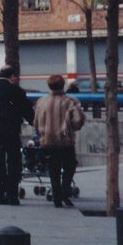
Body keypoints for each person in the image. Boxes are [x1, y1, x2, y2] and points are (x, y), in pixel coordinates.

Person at [0, 65, 34, 205]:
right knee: (13, 162)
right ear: (12, 77)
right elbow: (27, 111)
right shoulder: (17, 91)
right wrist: (36, 123)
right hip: (10, 130)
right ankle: (12, 195)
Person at [34, 74, 86, 208]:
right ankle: (64, 190)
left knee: (53, 169)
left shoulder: (41, 101)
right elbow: (78, 120)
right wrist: (73, 127)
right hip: (65, 141)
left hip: (47, 141)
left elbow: (35, 122)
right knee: (70, 165)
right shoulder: (71, 101)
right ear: (63, 85)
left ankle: (57, 197)